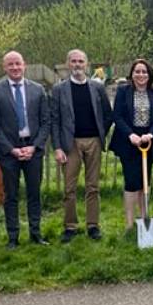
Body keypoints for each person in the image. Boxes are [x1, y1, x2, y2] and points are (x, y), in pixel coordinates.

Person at [0, 51, 51, 248]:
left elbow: (45, 121)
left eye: (18, 64)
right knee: (11, 195)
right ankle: (13, 237)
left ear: (25, 65)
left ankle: (36, 233)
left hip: (33, 149)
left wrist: (35, 146)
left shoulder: (38, 90)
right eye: (10, 64)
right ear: (4, 67)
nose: (15, 68)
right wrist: (10, 149)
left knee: (34, 193)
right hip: (9, 153)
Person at [50, 49, 113, 242]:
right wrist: (58, 147)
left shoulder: (97, 87)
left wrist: (101, 132)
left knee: (93, 187)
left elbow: (107, 114)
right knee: (69, 188)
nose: (77, 65)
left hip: (93, 140)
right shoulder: (59, 89)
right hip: (71, 143)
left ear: (86, 64)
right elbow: (55, 120)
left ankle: (93, 225)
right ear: (68, 64)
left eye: (81, 61)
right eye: (74, 61)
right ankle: (70, 226)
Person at [108, 59, 153, 231]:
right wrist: (131, 135)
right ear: (132, 74)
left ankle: (144, 219)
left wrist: (151, 134)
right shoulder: (124, 91)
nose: (141, 75)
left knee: (145, 182)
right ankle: (130, 224)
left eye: (144, 72)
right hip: (128, 141)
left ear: (149, 75)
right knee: (132, 182)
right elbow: (117, 116)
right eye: (137, 71)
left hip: (148, 141)